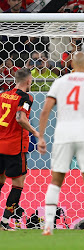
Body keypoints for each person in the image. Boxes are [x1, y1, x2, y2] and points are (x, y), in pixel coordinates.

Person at [37, 52, 84, 236]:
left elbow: (45, 110)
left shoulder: (60, 82)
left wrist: (41, 136)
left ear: (71, 64)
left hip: (63, 133)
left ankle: (47, 226)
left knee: (56, 180)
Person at [0, 68, 39, 231]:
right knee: (18, 183)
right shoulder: (26, 97)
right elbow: (20, 118)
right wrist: (36, 132)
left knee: (0, 181)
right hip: (15, 147)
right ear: (29, 81)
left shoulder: (2, 95)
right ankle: (4, 222)